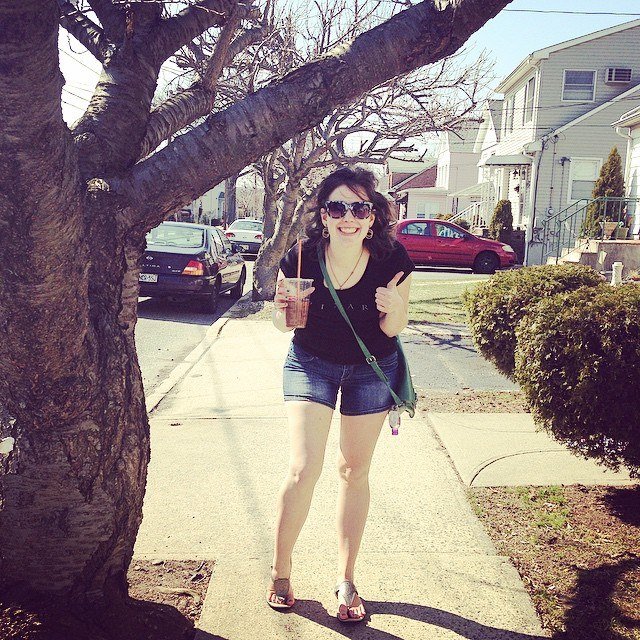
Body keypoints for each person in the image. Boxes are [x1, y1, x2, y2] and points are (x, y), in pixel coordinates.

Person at [266, 167, 415, 622]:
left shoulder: (392, 259)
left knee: (353, 470)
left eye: (359, 208)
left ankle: (346, 579)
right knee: (304, 467)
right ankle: (280, 570)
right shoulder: (302, 257)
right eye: (337, 207)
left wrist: (394, 309)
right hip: (311, 363)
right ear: (324, 215)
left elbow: (393, 329)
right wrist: (282, 311)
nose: (348, 217)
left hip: (371, 369)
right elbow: (283, 325)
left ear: (373, 216)